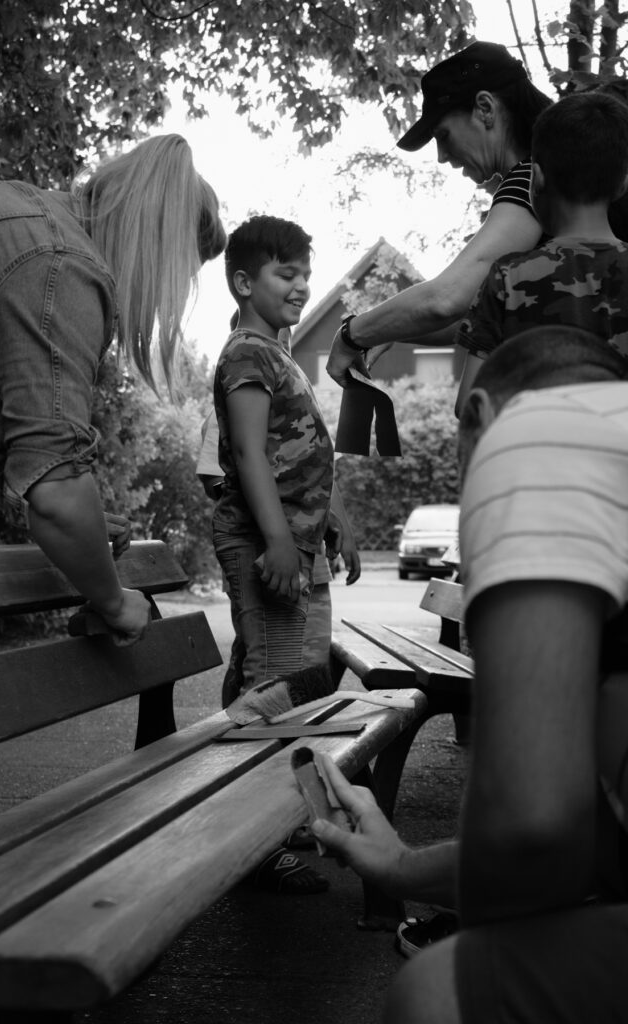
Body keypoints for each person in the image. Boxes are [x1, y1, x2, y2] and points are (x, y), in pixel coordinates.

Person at [313, 326, 628, 1023]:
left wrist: (479, 912)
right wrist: (400, 866)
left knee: (435, 994)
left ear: (475, 413)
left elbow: (535, 829)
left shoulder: (539, 427)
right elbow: (593, 846)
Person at [0, 133, 226, 645]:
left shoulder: (31, 218)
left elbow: (48, 475)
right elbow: (55, 494)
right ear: (159, 243)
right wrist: (116, 601)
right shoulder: (63, 266)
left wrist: (85, 523)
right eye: (178, 273)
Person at [211, 214, 360, 893]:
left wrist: (334, 518)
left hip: (299, 542)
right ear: (245, 282)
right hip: (266, 542)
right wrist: (276, 540)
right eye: (286, 273)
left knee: (300, 677)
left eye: (305, 274)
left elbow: (298, 451)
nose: (301, 286)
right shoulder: (246, 353)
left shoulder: (277, 353)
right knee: (271, 686)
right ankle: (246, 837)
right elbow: (248, 454)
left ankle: (278, 812)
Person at [325, 41, 553, 386]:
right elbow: (474, 315)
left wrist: (351, 334)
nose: (442, 156)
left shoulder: (531, 182)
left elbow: (447, 299)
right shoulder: (547, 179)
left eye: (443, 136)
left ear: (485, 108)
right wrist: (390, 329)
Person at [455, 91, 628, 413]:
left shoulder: (508, 279)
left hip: (541, 445)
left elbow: (471, 406)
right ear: (622, 184)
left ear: (536, 178)